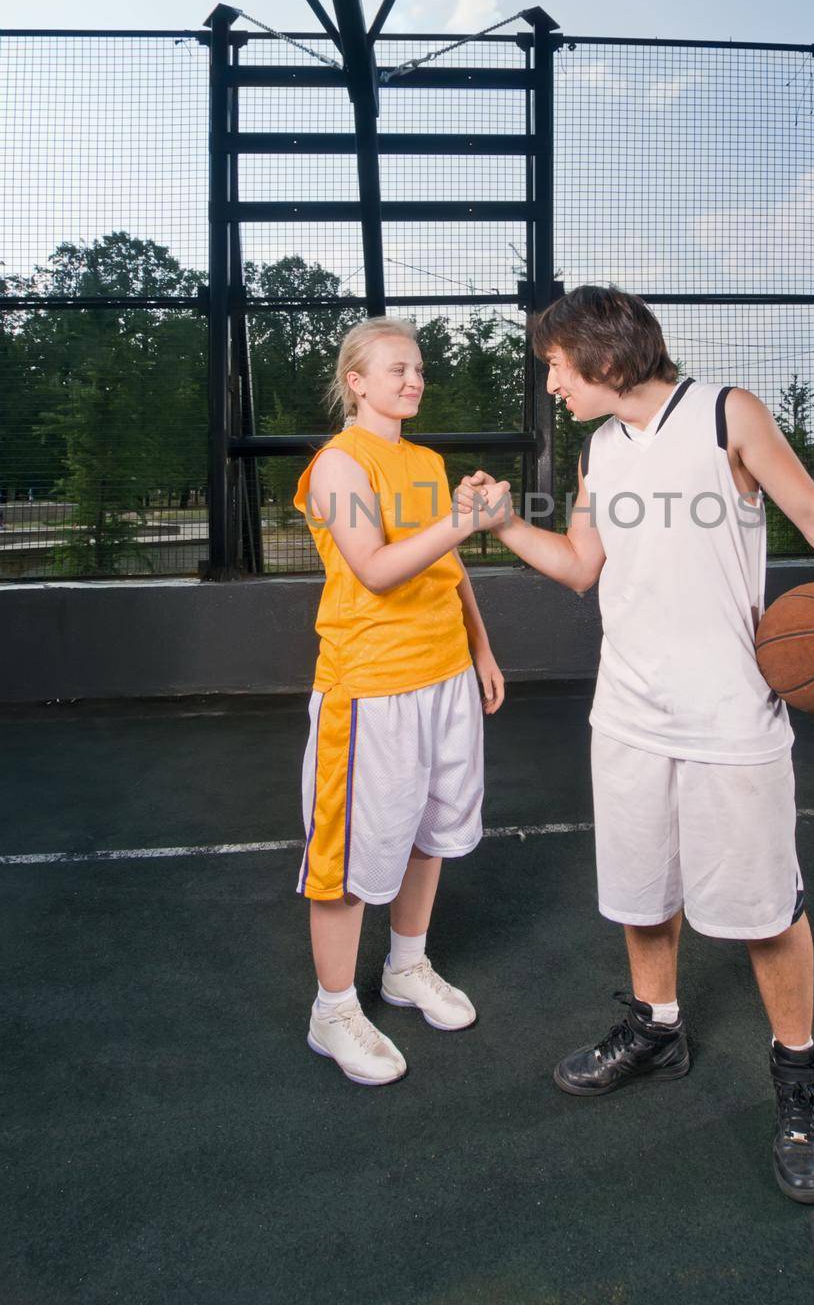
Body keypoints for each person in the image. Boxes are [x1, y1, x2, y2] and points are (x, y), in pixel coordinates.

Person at [458, 285, 814, 1202]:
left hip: (729, 716)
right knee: (641, 888)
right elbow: (583, 569)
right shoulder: (596, 450)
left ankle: (797, 1080)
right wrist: (507, 527)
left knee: (762, 910)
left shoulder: (726, 414)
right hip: (628, 712)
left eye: (553, 365)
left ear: (597, 354)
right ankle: (656, 1027)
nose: (548, 383)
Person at [292, 317, 505, 1087]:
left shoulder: (423, 459)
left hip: (442, 675)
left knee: (428, 833)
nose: (412, 379)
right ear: (355, 381)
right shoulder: (337, 467)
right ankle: (333, 1009)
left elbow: (447, 564)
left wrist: (478, 645)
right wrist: (463, 519)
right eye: (394, 369)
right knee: (349, 861)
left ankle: (405, 968)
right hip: (370, 688)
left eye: (417, 368)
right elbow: (376, 568)